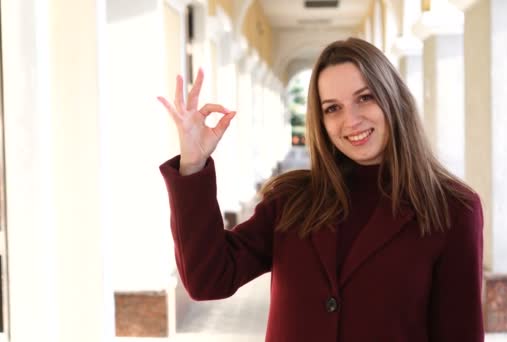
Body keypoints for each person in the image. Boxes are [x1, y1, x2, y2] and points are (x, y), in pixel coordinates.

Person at [158, 37, 484, 341]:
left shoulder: (453, 210)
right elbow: (209, 279)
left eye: (365, 97)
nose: (351, 120)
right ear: (321, 121)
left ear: (393, 99)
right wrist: (193, 165)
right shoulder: (292, 201)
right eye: (333, 108)